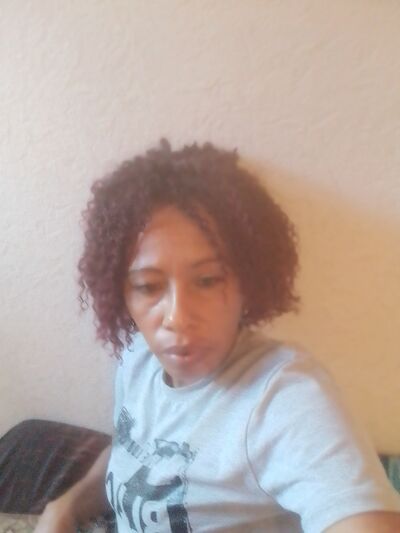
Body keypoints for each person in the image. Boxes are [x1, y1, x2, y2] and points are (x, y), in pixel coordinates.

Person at [34, 140, 400, 532]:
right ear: (121, 292)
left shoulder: (281, 396)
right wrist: (68, 505)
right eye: (148, 286)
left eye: (208, 280)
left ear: (248, 281)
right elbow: (133, 450)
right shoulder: (137, 357)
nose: (177, 318)